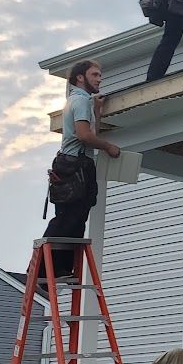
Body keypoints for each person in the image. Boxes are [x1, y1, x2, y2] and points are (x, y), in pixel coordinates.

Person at [41, 59, 120, 279]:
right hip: (75, 165)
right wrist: (108, 147)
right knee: (70, 218)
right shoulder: (80, 101)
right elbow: (84, 136)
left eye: (99, 75)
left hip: (71, 163)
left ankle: (60, 270)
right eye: (94, 75)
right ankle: (43, 270)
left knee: (74, 218)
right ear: (80, 77)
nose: (99, 79)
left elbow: (89, 131)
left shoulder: (79, 101)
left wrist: (97, 110)